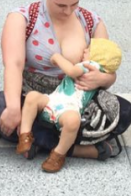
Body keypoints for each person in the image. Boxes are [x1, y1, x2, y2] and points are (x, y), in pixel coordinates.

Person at [0, 0, 131, 161]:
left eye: (74, 4)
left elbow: (107, 71)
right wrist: (12, 107)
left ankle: (40, 142)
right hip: (34, 96)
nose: (68, 11)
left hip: (75, 100)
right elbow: (13, 65)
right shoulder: (23, 17)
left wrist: (103, 79)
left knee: (124, 112)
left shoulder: (91, 21)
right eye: (61, 5)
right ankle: (78, 148)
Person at [17, 38, 122, 173]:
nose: (85, 50)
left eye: (88, 50)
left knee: (72, 120)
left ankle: (48, 148)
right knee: (32, 97)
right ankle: (32, 139)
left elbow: (72, 71)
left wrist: (57, 57)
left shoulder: (90, 65)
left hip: (68, 106)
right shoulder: (99, 69)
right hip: (55, 100)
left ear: (97, 57)